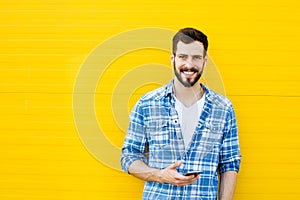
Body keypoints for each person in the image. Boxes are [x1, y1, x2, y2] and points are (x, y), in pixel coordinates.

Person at [120, 27, 241, 200]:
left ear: (205, 60)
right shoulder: (147, 103)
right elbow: (129, 156)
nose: (189, 64)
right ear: (172, 58)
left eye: (196, 57)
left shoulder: (223, 108)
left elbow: (230, 163)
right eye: (183, 57)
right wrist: (159, 175)